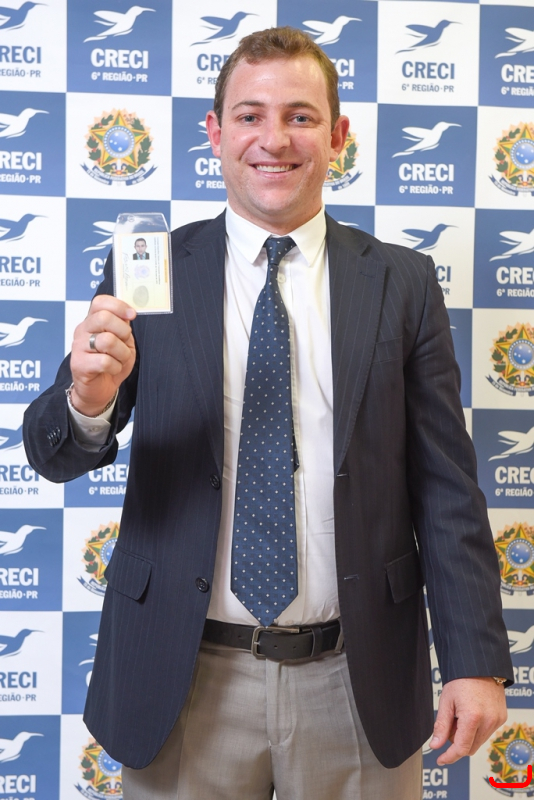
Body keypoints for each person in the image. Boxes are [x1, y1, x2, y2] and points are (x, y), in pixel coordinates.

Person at [24, 26, 512, 800]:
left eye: (300, 116)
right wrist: (88, 401)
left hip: (358, 678)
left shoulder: (403, 282)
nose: (274, 139)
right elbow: (54, 454)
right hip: (183, 675)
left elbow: (447, 486)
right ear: (216, 133)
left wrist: (475, 660)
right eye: (249, 115)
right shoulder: (150, 268)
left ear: (338, 136)